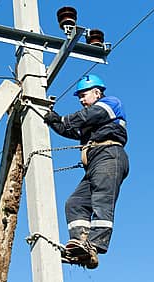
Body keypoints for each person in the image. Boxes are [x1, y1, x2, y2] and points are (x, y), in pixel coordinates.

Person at [43, 74, 129, 269]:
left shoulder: (110, 104)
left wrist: (63, 118)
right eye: (79, 96)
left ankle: (95, 245)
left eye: (84, 94)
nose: (81, 99)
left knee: (101, 198)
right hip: (96, 163)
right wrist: (52, 119)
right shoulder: (91, 118)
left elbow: (86, 117)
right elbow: (71, 130)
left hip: (109, 155)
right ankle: (80, 246)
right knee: (75, 203)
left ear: (97, 92)